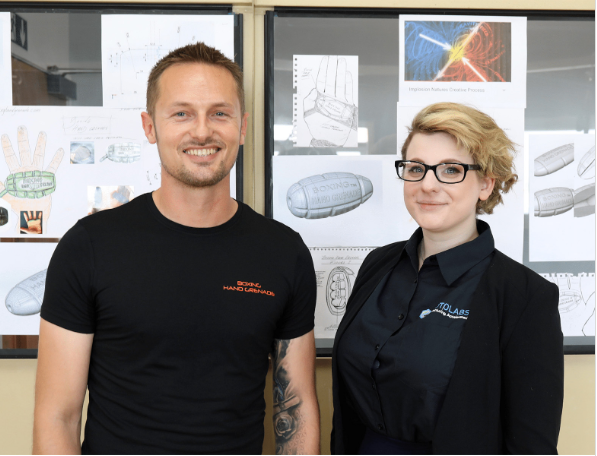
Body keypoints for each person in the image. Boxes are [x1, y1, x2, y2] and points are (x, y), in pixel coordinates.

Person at [33, 42, 320, 455]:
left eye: (219, 113)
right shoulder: (89, 247)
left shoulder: (283, 252)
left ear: (242, 127)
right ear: (150, 127)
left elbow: (297, 407)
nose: (201, 131)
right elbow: (57, 417)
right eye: (181, 113)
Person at [331, 102, 564, 455]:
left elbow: (532, 445)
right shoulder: (377, 265)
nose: (427, 185)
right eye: (416, 168)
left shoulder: (524, 296)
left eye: (451, 170)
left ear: (486, 183)